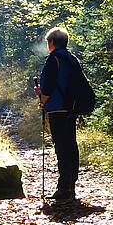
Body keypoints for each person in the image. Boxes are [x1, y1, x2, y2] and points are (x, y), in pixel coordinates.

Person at [36, 26, 84, 201]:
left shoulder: (53, 59)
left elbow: (47, 88)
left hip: (57, 108)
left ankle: (64, 188)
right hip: (72, 108)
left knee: (62, 147)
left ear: (52, 42)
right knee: (71, 145)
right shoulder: (72, 59)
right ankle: (71, 185)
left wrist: (42, 98)